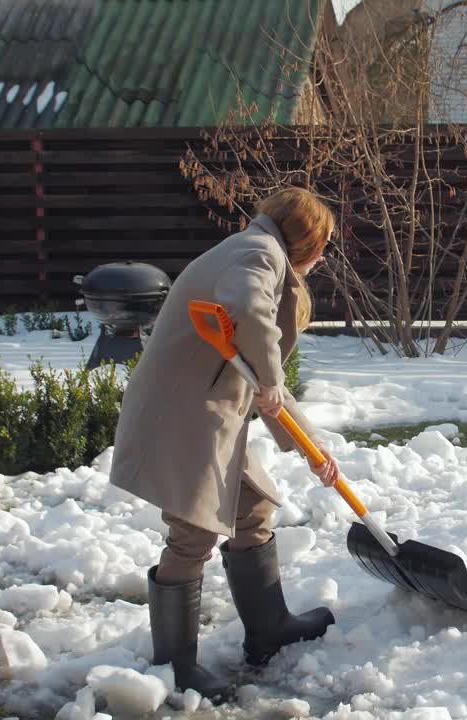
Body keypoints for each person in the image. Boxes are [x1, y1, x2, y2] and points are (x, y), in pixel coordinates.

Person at [109, 187, 342, 704]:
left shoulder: (252, 250)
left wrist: (313, 450)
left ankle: (269, 626)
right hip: (185, 417)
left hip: (209, 413)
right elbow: (249, 311)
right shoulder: (257, 254)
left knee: (252, 506)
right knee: (192, 533)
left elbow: (267, 392)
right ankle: (176, 666)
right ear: (305, 237)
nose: (323, 256)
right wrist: (271, 374)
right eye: (323, 244)